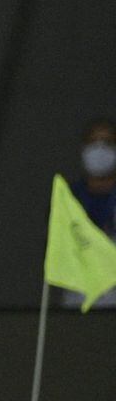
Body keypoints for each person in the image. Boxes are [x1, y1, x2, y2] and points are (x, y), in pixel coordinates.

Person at [64, 118, 116, 309]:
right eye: (93, 142)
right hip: (79, 294)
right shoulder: (70, 196)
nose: (99, 149)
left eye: (107, 142)